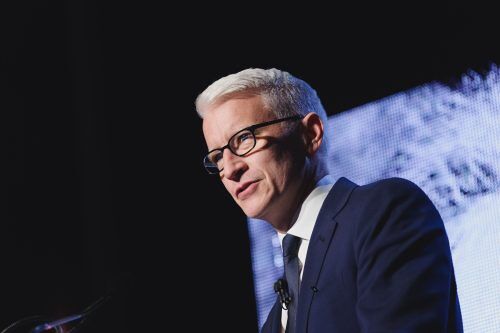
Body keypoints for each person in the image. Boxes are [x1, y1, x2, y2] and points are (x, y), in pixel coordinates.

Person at [196, 68, 463, 332]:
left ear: (310, 134)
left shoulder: (386, 210)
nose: (229, 170)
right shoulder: (275, 321)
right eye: (218, 157)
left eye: (243, 139)